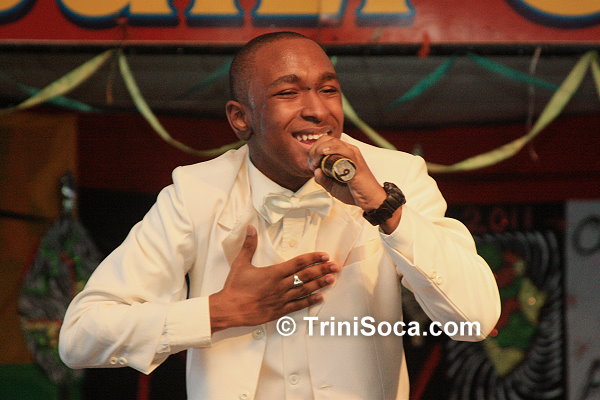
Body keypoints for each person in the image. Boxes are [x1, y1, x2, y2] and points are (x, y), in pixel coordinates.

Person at [59, 31, 500, 400]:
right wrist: (220, 311)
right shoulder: (195, 194)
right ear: (240, 118)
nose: (317, 110)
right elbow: (81, 336)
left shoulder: (395, 177)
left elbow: (476, 319)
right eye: (288, 92)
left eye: (328, 90)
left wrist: (383, 208)